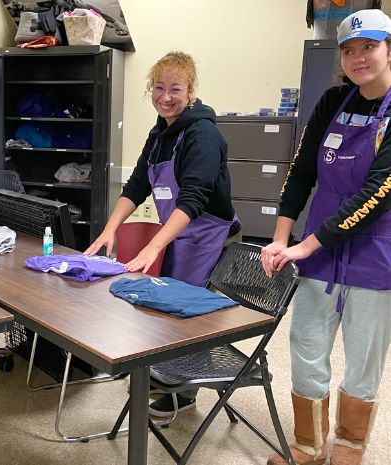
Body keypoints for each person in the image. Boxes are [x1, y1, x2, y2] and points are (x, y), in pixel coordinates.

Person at [262, 10, 391, 465]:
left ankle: (350, 445)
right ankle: (309, 443)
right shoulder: (333, 101)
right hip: (318, 254)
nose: (359, 57)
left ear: (389, 49)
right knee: (307, 346)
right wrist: (281, 236)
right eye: (350, 50)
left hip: (377, 254)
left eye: (369, 47)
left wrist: (303, 245)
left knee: (364, 359)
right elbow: (300, 172)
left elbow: (375, 195)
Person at [84, 51, 242, 417]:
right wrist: (110, 229)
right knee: (165, 307)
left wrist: (155, 245)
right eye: (158, 88)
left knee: (185, 312)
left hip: (207, 234)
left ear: (190, 91)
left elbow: (194, 198)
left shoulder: (203, 135)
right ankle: (164, 377)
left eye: (175, 89)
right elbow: (138, 183)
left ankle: (181, 393)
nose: (165, 97)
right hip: (178, 232)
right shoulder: (160, 133)